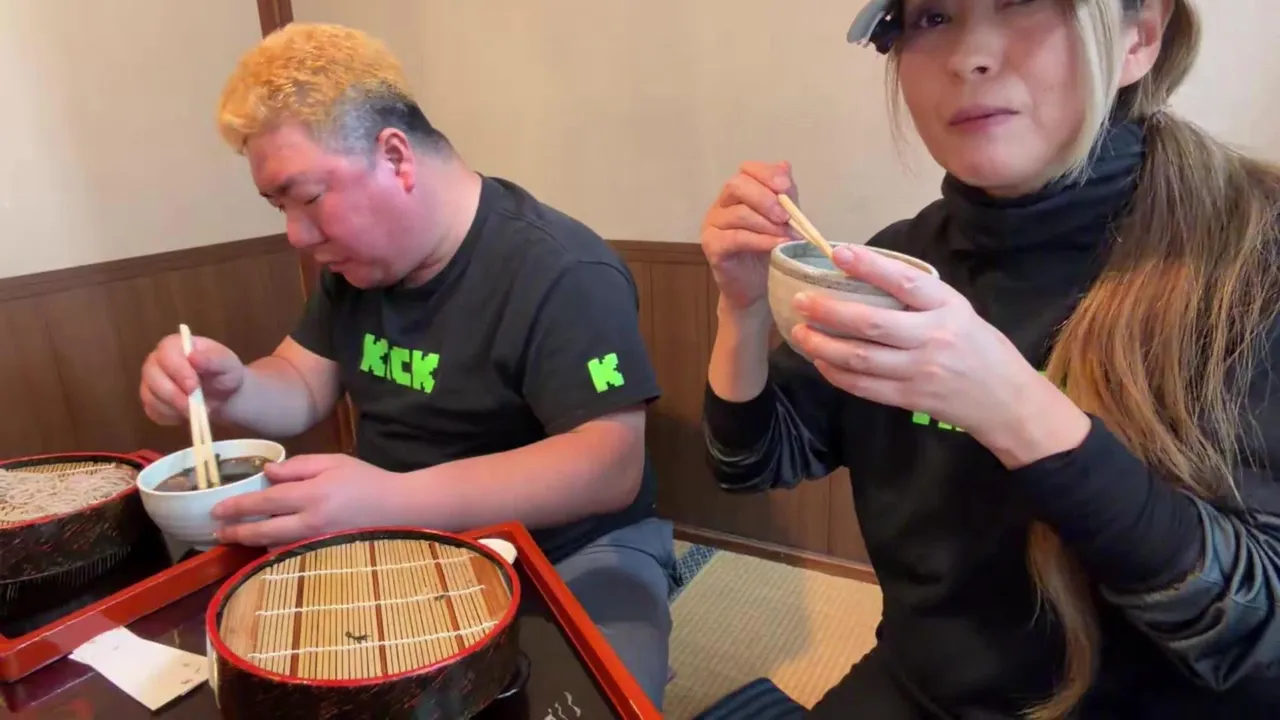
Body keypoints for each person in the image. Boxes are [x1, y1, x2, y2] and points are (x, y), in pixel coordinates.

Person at [701, 0, 1279, 718]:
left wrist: (1012, 408)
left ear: (1140, 36)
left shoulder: (1250, 258)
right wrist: (743, 310)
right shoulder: (901, 263)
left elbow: (1259, 634)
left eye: (1024, 3)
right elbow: (750, 463)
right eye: (932, 17)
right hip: (920, 688)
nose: (970, 57)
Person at [138, 23, 674, 708]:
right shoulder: (355, 270)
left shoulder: (562, 269)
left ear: (395, 157)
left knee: (589, 700)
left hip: (568, 551)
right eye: (280, 207)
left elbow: (609, 465)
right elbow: (300, 385)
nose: (296, 234)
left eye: (308, 197)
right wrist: (232, 388)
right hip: (394, 540)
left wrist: (391, 499)